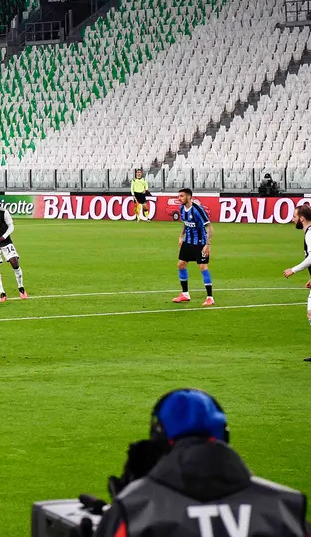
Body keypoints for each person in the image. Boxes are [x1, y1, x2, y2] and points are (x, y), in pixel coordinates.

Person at [94, 389, 309, 536]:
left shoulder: (136, 510)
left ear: (159, 439)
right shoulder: (285, 507)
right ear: (224, 436)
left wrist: (113, 515)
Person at [171, 188, 213, 306]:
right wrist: (181, 236)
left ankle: (210, 297)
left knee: (203, 267)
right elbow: (185, 224)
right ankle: (185, 294)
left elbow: (209, 227)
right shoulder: (181, 209)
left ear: (189, 197)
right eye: (179, 196)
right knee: (181, 265)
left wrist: (207, 245)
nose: (179, 198)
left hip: (200, 243)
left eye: (181, 196)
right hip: (187, 242)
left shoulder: (197, 210)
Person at [282, 205, 311, 362]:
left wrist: (294, 270)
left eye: (294, 216)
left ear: (302, 218)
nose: (292, 219)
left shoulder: (310, 234)